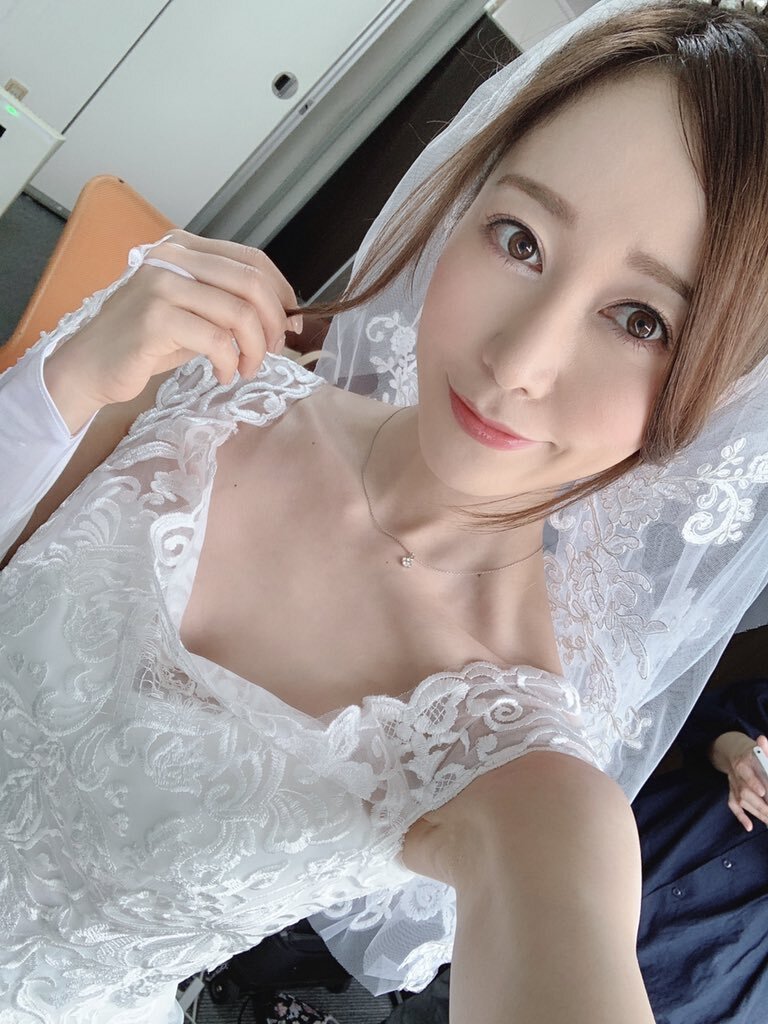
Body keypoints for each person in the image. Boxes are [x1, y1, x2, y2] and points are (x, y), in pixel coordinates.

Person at [3, 1, 768, 1021]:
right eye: (521, 239)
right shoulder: (196, 376)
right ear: (462, 204)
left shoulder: (517, 769)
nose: (519, 360)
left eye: (642, 320)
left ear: (717, 398)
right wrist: (58, 389)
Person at [379, 675, 768, 1023]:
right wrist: (737, 751)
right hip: (565, 865)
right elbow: (691, 707)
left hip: (683, 988)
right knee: (440, 995)